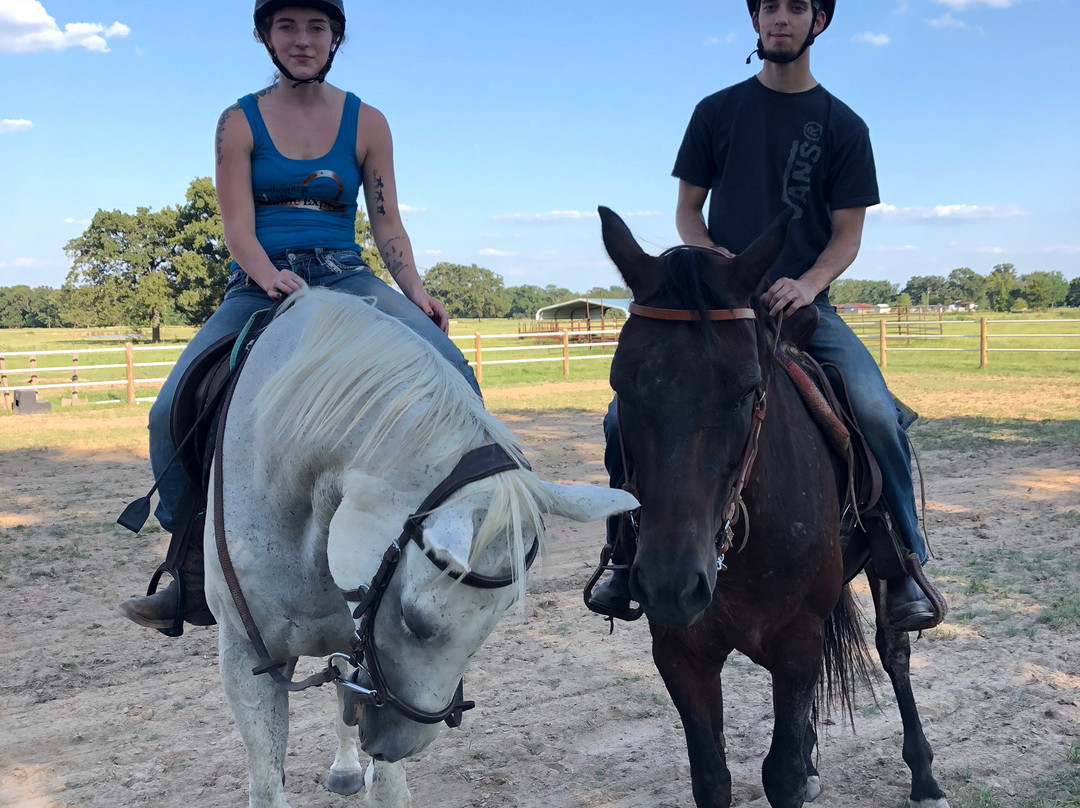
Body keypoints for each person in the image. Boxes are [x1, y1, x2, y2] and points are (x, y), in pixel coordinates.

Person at [119, 0, 479, 631]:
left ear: (336, 36)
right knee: (165, 410)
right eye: (286, 26)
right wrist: (267, 276)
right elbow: (236, 226)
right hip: (261, 280)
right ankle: (191, 572)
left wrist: (415, 290)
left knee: (453, 368)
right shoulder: (238, 121)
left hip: (345, 272)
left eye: (316, 26)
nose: (302, 39)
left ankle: (470, 524)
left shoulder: (368, 122)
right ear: (265, 36)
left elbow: (387, 222)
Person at [587, 0, 936, 630]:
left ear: (818, 22)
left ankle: (904, 559)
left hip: (802, 304)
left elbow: (847, 235)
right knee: (621, 416)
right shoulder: (716, 112)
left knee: (876, 408)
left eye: (796, 7)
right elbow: (688, 212)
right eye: (769, 6)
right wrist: (715, 258)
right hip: (722, 309)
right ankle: (621, 552)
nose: (781, 17)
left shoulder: (844, 126)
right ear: (754, 22)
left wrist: (806, 285)